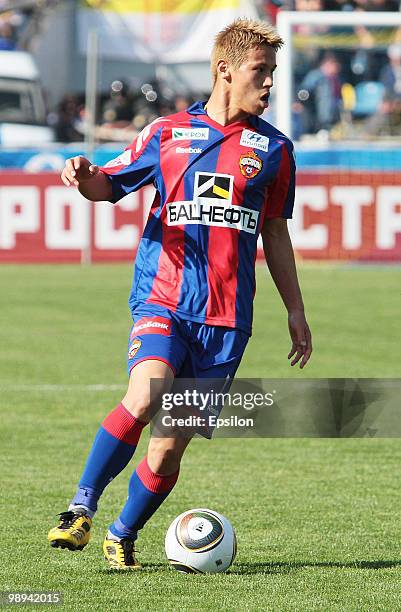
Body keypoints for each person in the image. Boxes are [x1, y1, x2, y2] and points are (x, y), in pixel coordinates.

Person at [48, 18, 312, 570]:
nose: (269, 85)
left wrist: (295, 309)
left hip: (227, 320)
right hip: (162, 299)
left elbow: (276, 233)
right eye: (260, 73)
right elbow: (107, 185)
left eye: (272, 74)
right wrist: (83, 172)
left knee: (168, 446)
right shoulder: (166, 134)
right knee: (146, 395)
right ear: (225, 71)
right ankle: (80, 508)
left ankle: (122, 532)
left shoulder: (275, 151)